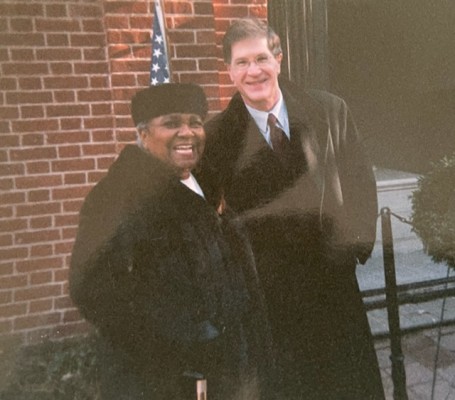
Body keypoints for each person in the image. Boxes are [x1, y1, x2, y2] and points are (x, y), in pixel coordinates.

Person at [198, 18, 385, 399]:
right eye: (242, 62)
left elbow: (360, 181)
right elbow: (201, 217)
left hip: (332, 286)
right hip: (268, 299)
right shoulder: (216, 136)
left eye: (262, 58)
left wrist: (354, 248)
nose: (254, 71)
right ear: (230, 72)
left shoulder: (328, 110)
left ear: (279, 59)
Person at [69, 83, 274, 400]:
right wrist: (181, 344)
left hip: (230, 367)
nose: (187, 132)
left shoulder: (202, 182)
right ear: (143, 134)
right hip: (169, 380)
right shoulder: (116, 196)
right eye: (170, 123)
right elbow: (90, 287)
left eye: (194, 122)